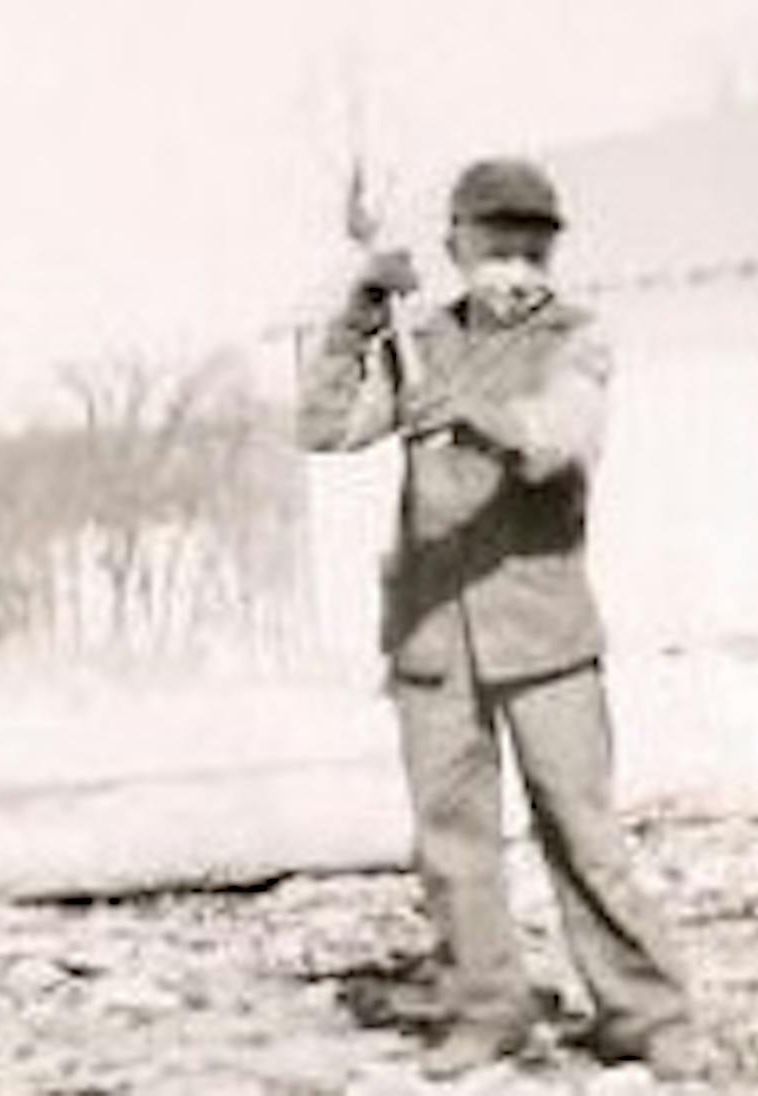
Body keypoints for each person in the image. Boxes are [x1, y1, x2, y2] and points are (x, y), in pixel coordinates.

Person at [297, 158, 695, 1081]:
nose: (517, 271)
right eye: (495, 253)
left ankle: (649, 1014)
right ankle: (487, 1010)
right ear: (454, 251)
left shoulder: (577, 340)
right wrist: (358, 314)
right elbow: (322, 427)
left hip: (546, 638)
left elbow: (562, 436)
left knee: (584, 835)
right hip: (432, 638)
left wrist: (473, 411)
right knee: (451, 844)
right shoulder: (415, 341)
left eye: (533, 252)